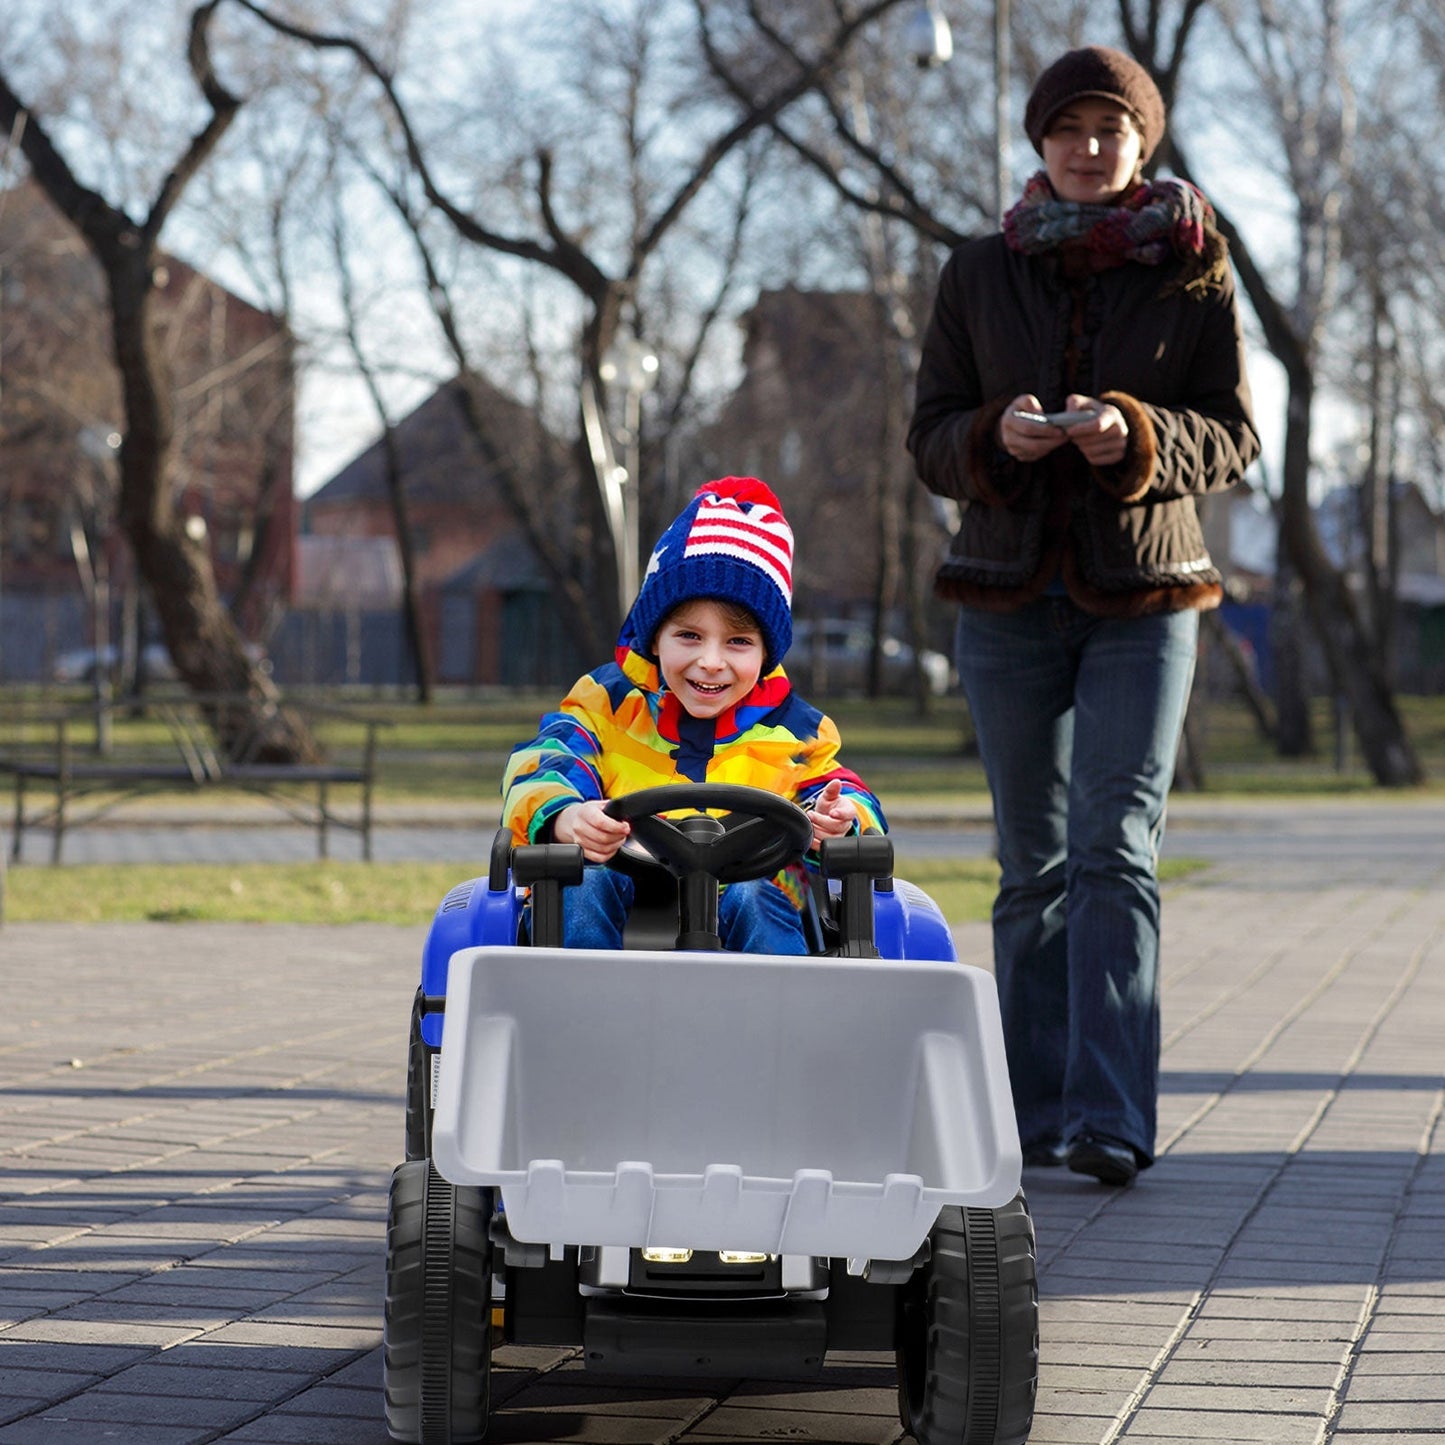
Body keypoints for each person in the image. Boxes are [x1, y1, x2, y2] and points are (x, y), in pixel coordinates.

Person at [907, 46, 1260, 1186]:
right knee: (1030, 868)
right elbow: (928, 436)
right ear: (1038, 141)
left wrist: (1136, 434)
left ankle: (1108, 1118)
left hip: (1144, 598)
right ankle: (1027, 1114)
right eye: (1067, 127)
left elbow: (1235, 435)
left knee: (1116, 852)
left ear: (1140, 141)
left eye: (1109, 128)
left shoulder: (1194, 269)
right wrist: (987, 441)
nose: (1087, 145)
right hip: (1005, 601)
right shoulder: (975, 272)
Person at [502, 476, 886, 954]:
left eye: (738, 642)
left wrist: (842, 816)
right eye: (688, 636)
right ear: (654, 635)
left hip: (751, 896)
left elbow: (843, 790)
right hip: (621, 892)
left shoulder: (797, 733)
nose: (710, 661)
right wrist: (564, 815)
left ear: (767, 653)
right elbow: (545, 760)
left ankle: (783, 1022)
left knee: (756, 899)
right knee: (581, 887)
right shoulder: (607, 704)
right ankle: (582, 1017)